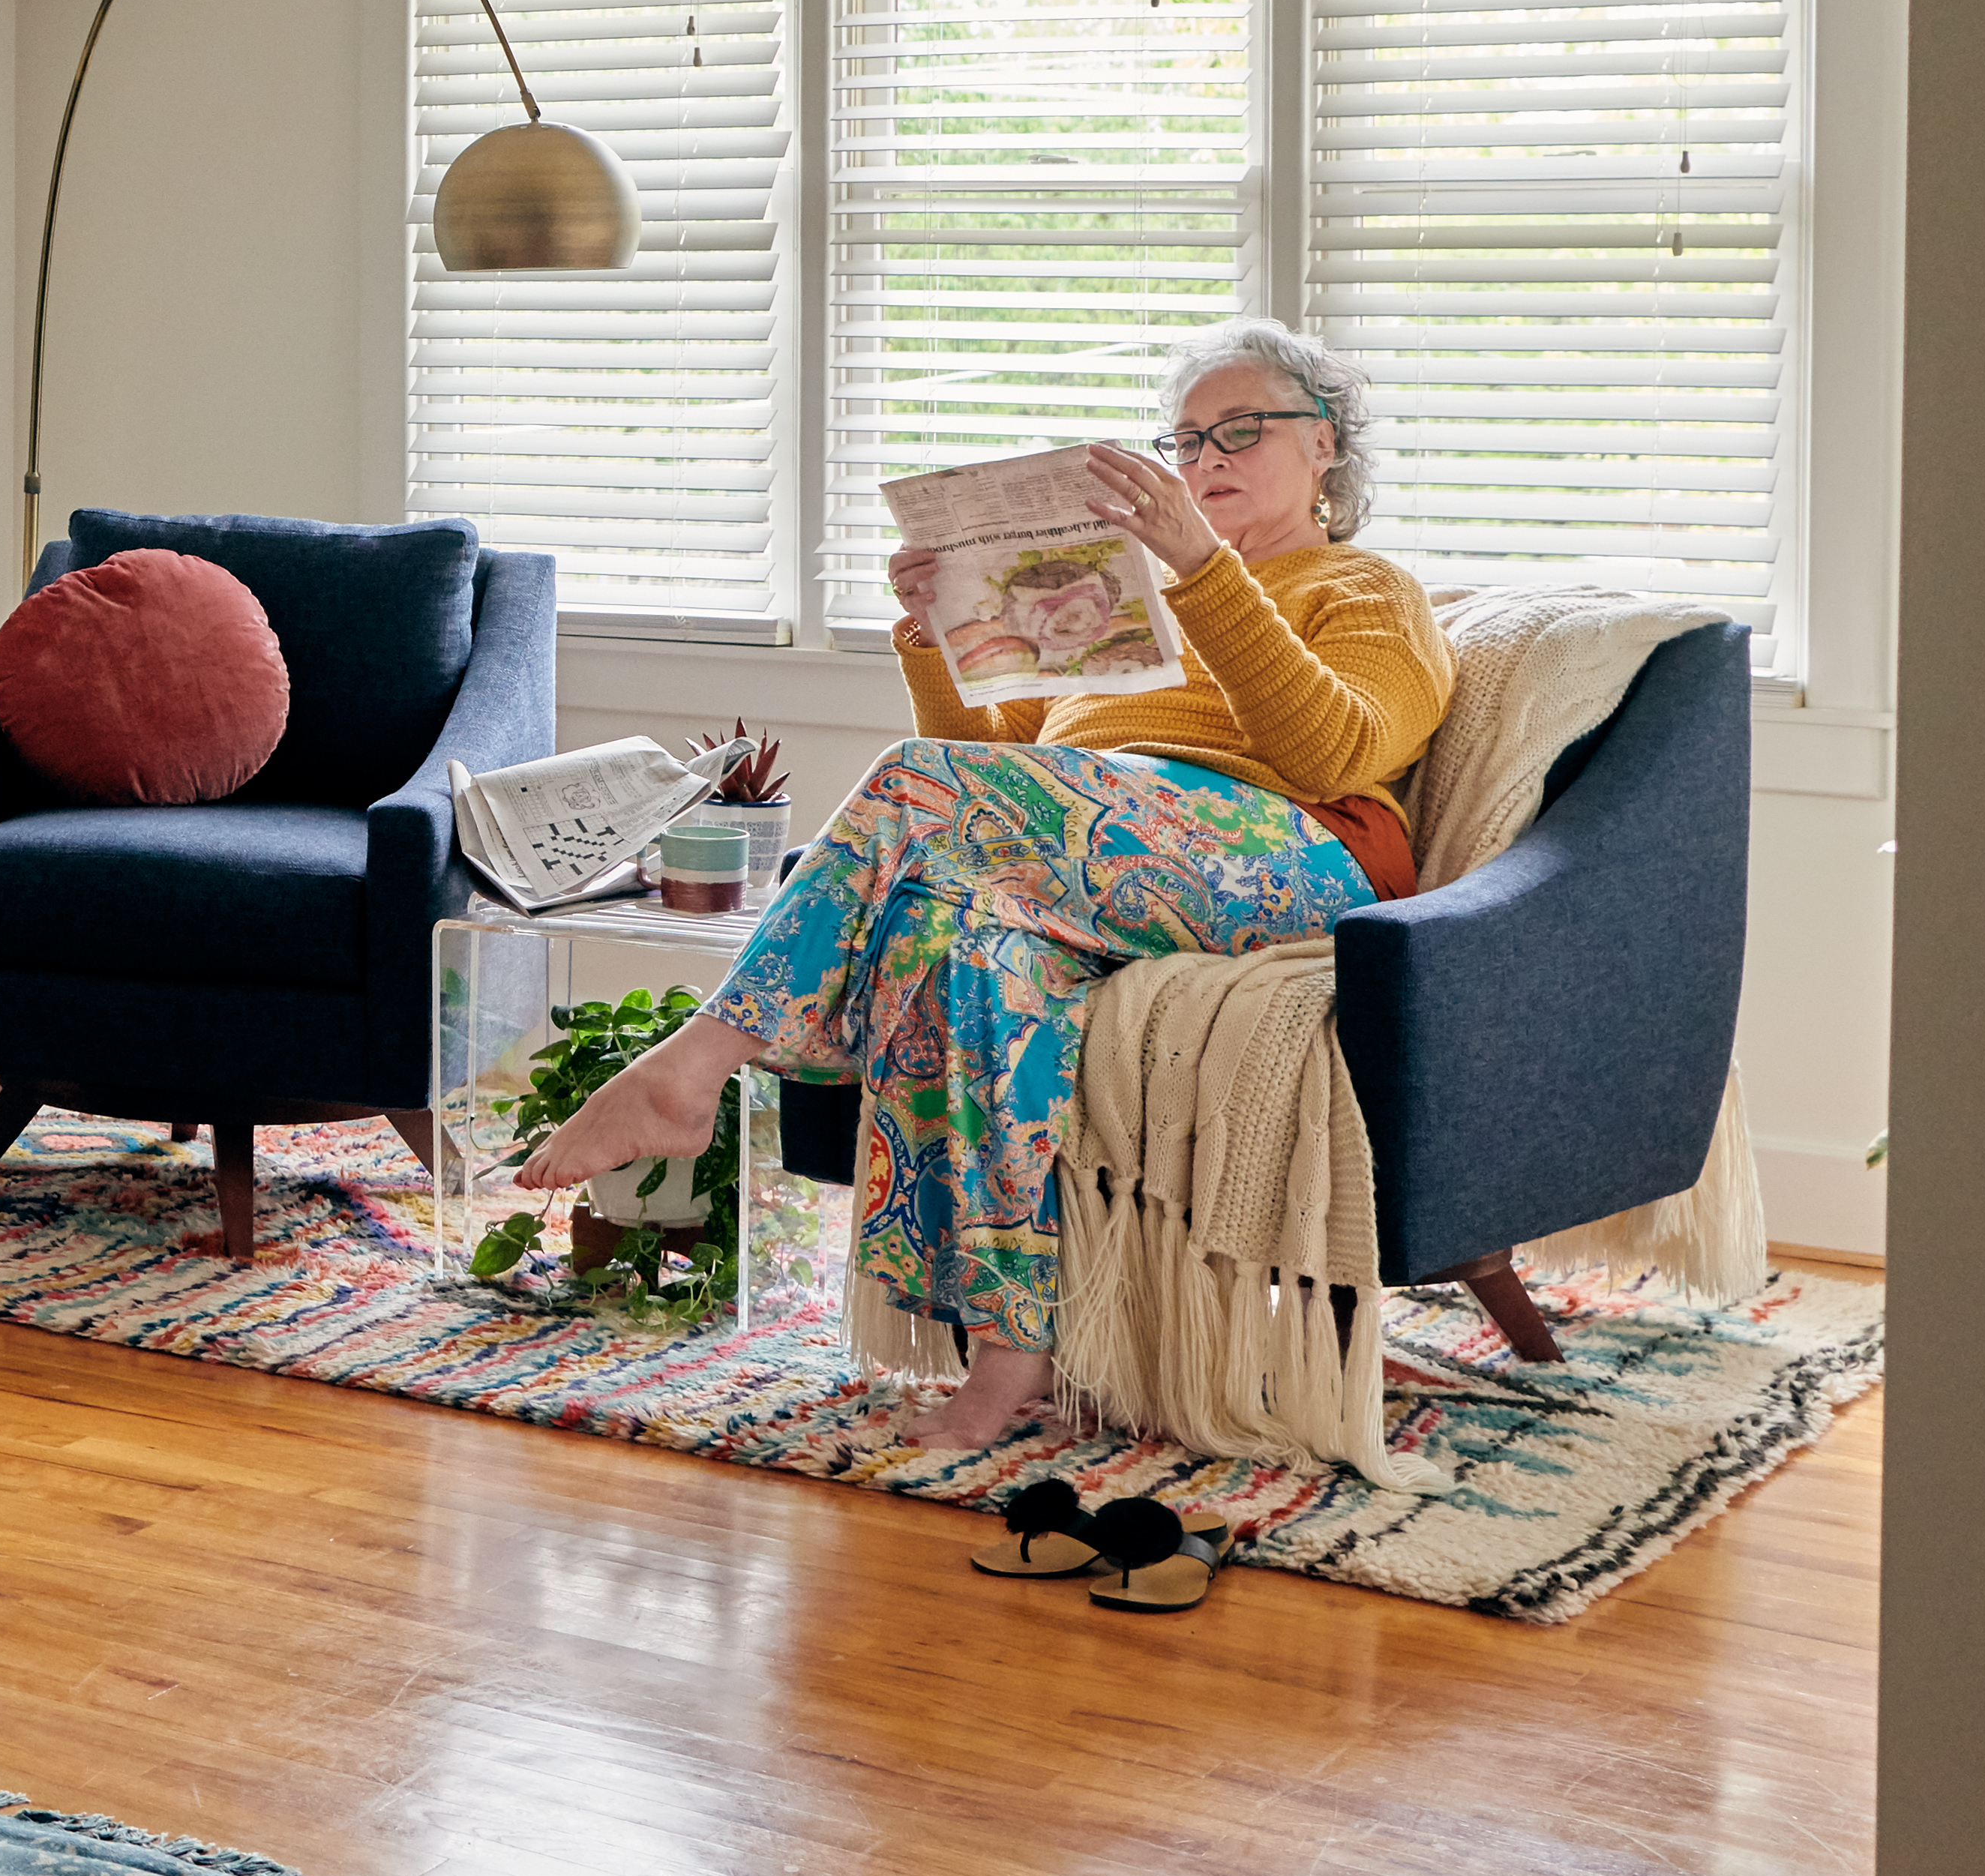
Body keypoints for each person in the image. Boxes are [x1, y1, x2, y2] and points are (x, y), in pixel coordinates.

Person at [515, 321, 1454, 1455]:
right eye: (1189, 435)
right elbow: (996, 753)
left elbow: (1332, 750)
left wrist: (1205, 575)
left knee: (917, 791)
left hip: (1286, 858)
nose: (1207, 455)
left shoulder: (1365, 589)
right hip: (1085, 847)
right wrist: (934, 631)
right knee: (951, 943)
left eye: (1242, 430)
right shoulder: (1128, 598)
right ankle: (1011, 1356)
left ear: (1327, 448)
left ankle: (700, 1060)